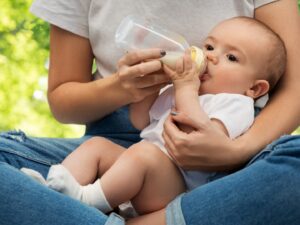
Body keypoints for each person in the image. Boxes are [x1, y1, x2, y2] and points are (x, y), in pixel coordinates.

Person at [0, 1, 299, 225]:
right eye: (209, 46)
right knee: (97, 148)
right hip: (129, 151)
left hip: (181, 182)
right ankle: (56, 192)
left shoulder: (235, 104)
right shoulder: (183, 90)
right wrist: (135, 91)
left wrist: (185, 89)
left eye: (231, 57)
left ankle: (82, 204)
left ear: (255, 89)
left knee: (293, 166)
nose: (210, 57)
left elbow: (199, 133)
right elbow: (141, 122)